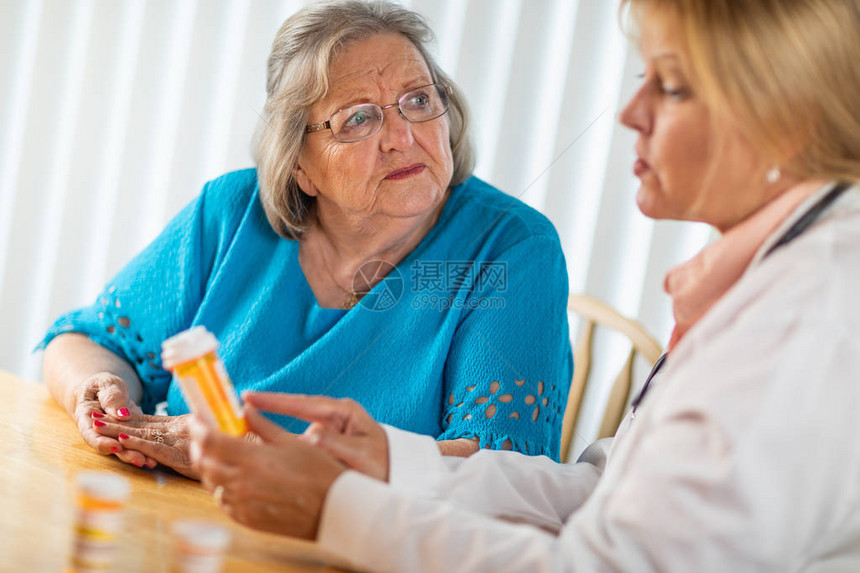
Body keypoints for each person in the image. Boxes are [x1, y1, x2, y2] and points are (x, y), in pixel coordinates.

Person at [187, 0, 860, 570]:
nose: (630, 112)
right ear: (298, 164)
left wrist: (337, 509)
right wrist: (392, 461)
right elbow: (607, 491)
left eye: (673, 87)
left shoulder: (807, 314)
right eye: (359, 117)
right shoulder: (771, 281)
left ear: (786, 117)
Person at [39, 0, 572, 477]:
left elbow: (501, 473)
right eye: (359, 119)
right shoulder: (229, 213)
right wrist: (97, 394)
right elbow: (88, 343)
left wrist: (253, 455)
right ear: (300, 166)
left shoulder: (514, 250)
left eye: (417, 100)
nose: (403, 137)